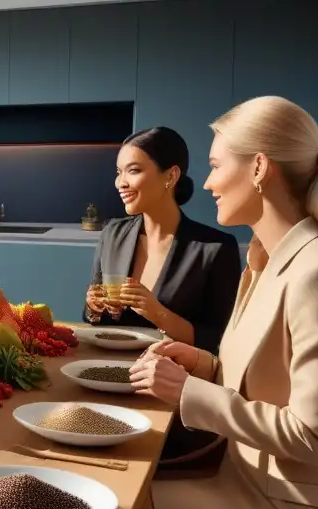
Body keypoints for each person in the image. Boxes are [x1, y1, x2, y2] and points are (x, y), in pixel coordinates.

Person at [102, 96, 318, 509]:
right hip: (241, 487)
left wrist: (190, 393)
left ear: (258, 168)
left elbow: (316, 439)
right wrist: (206, 365)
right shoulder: (263, 260)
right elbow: (265, 375)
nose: (207, 184)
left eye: (215, 166)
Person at [84, 126, 242, 354]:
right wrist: (93, 307)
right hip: (106, 366)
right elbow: (93, 318)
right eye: (119, 172)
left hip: (169, 377)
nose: (121, 183)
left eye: (133, 171)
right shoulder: (112, 233)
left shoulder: (215, 248)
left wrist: (158, 313)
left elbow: (218, 339)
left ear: (170, 176)